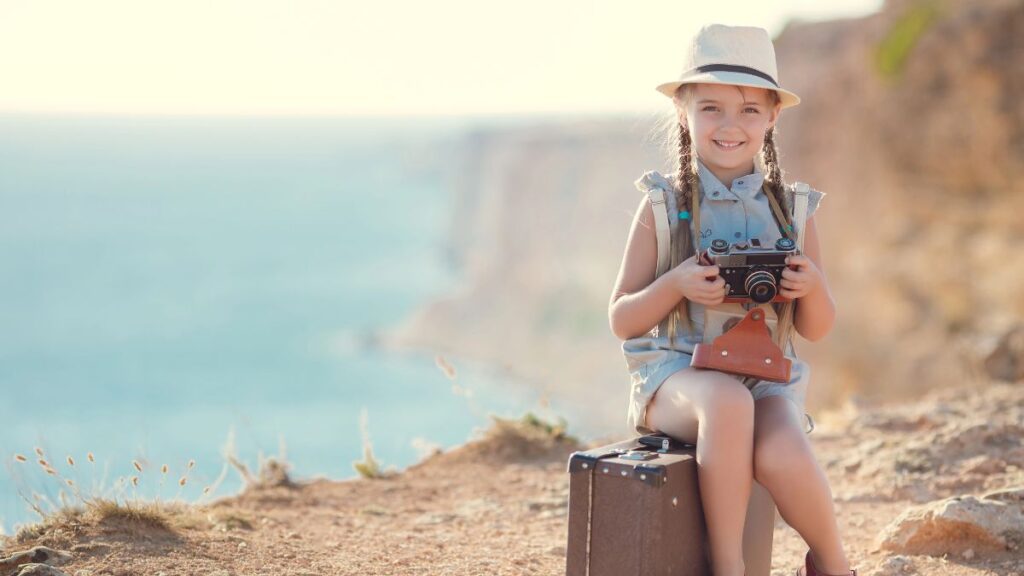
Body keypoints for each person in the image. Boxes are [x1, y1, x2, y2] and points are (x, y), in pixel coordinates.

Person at [608, 24, 857, 576]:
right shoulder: (662, 205)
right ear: (683, 112)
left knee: (782, 450)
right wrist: (674, 285)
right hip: (675, 378)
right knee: (726, 403)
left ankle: (834, 565)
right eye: (712, 107)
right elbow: (622, 320)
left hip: (763, 376)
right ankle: (729, 566)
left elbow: (817, 329)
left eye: (749, 110)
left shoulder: (793, 211)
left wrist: (808, 285)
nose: (729, 125)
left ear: (772, 117)